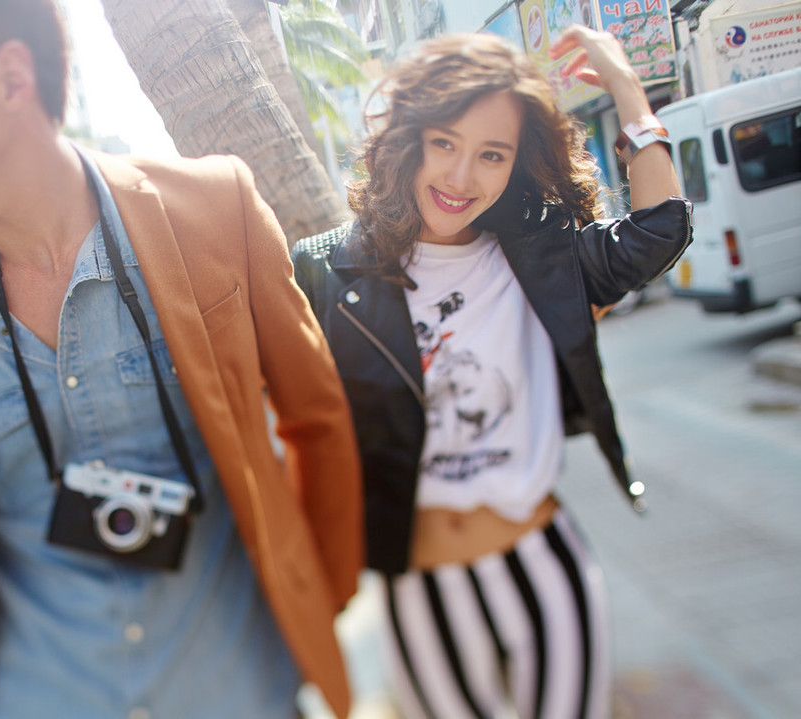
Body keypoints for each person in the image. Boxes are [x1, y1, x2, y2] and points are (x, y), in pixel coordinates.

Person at [0, 0, 364, 717]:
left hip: (244, 691)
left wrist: (316, 596)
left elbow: (316, 418)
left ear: (11, 76)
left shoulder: (214, 209)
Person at [292, 27, 691, 719]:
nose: (460, 177)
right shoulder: (330, 272)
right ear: (409, 139)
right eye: (444, 143)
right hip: (422, 587)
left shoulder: (539, 256)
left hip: (541, 564)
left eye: (491, 154)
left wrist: (629, 92)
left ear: (516, 162)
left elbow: (657, 232)